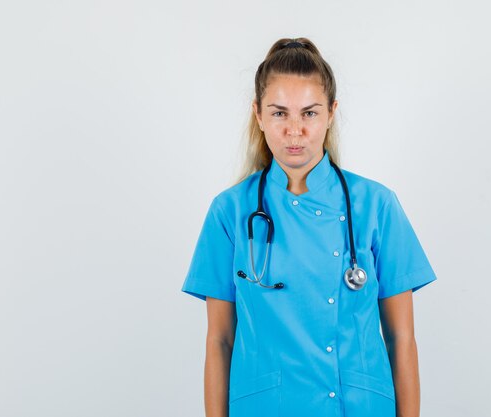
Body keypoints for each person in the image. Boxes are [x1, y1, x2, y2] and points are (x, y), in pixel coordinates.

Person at [181, 37, 438, 417]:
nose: (295, 130)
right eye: (280, 113)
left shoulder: (376, 206)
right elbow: (220, 341)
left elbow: (402, 339)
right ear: (259, 114)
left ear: (332, 113)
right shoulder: (229, 212)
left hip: (358, 407)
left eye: (310, 113)